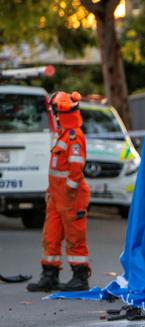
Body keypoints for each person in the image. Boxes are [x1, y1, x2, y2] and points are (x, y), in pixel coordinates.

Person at [27, 91, 92, 292]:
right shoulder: (65, 134)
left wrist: (69, 190)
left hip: (71, 197)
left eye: (55, 112)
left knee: (75, 238)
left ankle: (80, 277)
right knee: (51, 237)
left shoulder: (74, 136)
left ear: (61, 113)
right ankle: (49, 275)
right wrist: (52, 191)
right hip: (58, 197)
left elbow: (76, 166)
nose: (54, 117)